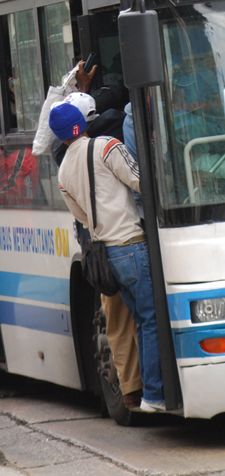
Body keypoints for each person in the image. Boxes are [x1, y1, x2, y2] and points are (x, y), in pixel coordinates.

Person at [49, 103, 164, 413]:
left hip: (107, 254)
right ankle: (155, 393)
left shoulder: (62, 173)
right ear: (84, 122)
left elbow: (82, 217)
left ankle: (148, 393)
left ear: (60, 136)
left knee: (141, 320)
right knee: (152, 319)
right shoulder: (107, 145)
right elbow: (140, 179)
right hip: (131, 243)